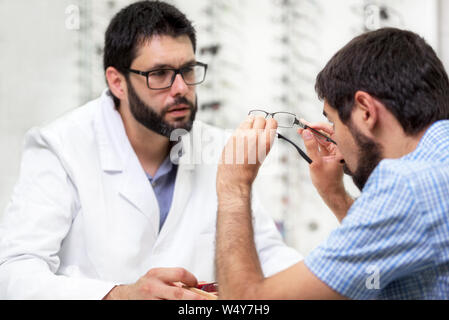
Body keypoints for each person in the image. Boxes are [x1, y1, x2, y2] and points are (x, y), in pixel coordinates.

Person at [0, 1, 301, 300]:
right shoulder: (61, 147)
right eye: (160, 74)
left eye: (188, 70)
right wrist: (118, 296)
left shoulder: (219, 148)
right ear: (117, 82)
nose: (181, 87)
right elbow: (14, 273)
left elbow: (269, 258)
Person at [215, 28, 449, 300]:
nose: (333, 134)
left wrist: (233, 187)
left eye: (335, 122)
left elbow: (247, 301)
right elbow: (387, 251)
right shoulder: (435, 168)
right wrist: (335, 194)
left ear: (365, 110)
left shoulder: (407, 184)